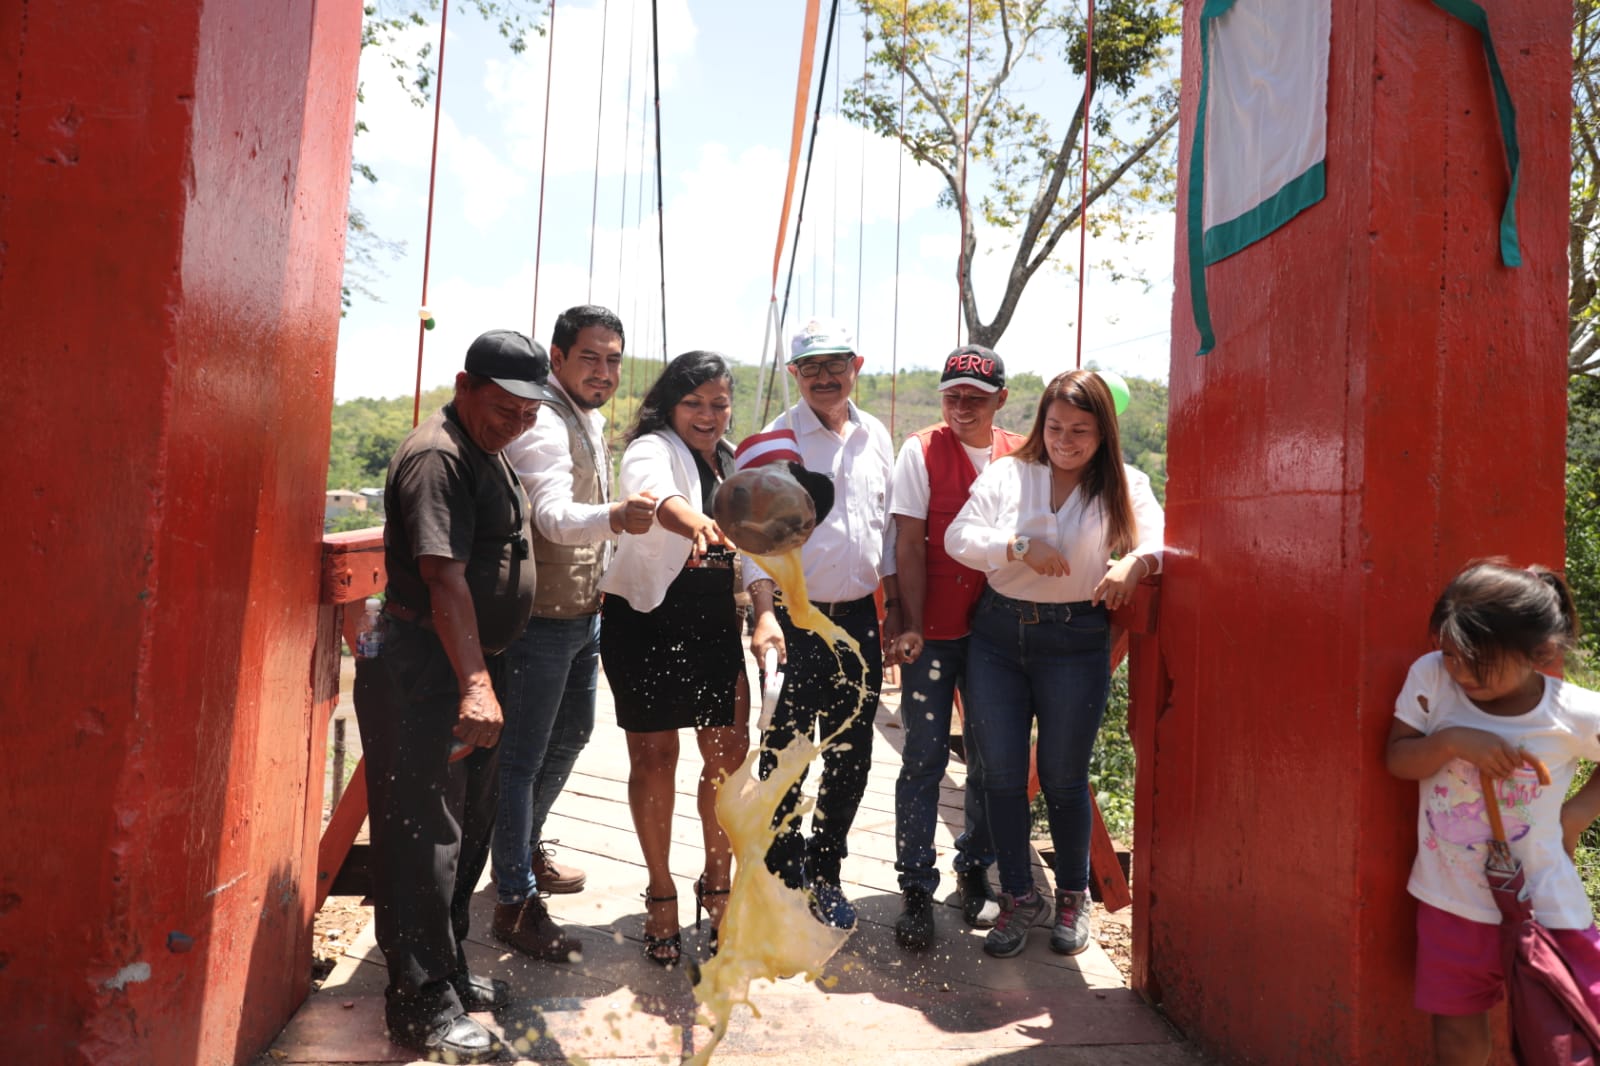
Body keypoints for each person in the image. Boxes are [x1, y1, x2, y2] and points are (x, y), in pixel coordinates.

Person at [351, 329, 552, 1063]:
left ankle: (451, 973)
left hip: (463, 664)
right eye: (504, 409)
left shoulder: (485, 446)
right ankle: (419, 1006)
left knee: (466, 826)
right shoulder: (440, 455)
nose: (516, 424)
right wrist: (474, 681)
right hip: (424, 669)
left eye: (530, 415)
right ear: (466, 385)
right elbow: (442, 577)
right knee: (420, 839)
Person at [945, 368, 1163, 959]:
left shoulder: (1122, 482)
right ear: (1041, 423)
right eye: (1056, 426)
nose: (1066, 440)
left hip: (1075, 641)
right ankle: (1017, 897)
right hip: (997, 638)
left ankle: (1072, 896)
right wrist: (1014, 547)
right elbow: (959, 537)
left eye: (1082, 430)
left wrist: (1134, 563)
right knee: (1003, 777)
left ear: (1104, 432)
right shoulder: (1008, 473)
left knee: (1065, 778)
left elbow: (1163, 537)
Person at [1386, 562, 1600, 1066]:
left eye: (1478, 660)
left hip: (1545, 904)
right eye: (1451, 653)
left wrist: (1576, 816)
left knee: (1565, 1034)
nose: (1459, 670)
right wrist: (1453, 741)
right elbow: (1398, 757)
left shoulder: (1568, 711)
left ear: (1540, 654)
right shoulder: (1432, 678)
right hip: (1450, 900)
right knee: (1456, 1036)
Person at [492, 305, 653, 961]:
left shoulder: (586, 416)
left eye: (614, 359)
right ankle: (514, 900)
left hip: (581, 614)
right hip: (539, 623)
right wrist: (617, 517)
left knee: (572, 737)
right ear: (557, 358)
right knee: (522, 760)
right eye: (590, 357)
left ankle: (521, 850)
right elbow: (554, 517)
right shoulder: (543, 426)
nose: (605, 371)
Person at [597, 350, 750, 967]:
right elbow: (653, 493)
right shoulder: (650, 446)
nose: (708, 415)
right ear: (670, 405)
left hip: (714, 624)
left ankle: (718, 887)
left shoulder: (736, 461)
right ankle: (660, 892)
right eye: (694, 403)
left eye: (718, 403)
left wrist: (762, 611)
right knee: (654, 757)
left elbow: (759, 546)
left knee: (726, 760)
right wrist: (698, 525)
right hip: (645, 619)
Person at [745, 316, 898, 930]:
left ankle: (826, 870)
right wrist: (762, 615)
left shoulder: (877, 435)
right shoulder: (773, 441)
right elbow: (750, 540)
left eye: (837, 364)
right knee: (785, 754)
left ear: (857, 366)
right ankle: (784, 878)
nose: (826, 377)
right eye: (812, 367)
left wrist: (899, 617)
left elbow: (884, 533)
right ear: (794, 374)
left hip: (859, 619)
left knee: (852, 755)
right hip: (791, 618)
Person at [888, 345, 1023, 950]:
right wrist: (908, 622)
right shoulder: (919, 450)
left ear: (1001, 398)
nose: (961, 407)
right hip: (936, 629)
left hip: (999, 632)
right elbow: (908, 543)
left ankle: (974, 870)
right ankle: (916, 885)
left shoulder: (1023, 454)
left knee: (993, 760)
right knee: (923, 755)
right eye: (952, 396)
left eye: (974, 396)